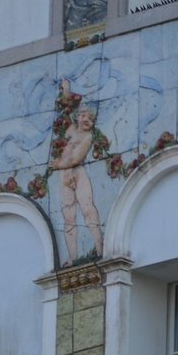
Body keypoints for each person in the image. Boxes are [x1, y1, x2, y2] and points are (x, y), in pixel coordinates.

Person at [51, 82, 105, 259]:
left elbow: (76, 159)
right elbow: (66, 110)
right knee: (68, 217)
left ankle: (99, 249)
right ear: (78, 117)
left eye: (90, 118)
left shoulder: (87, 136)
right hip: (64, 176)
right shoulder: (70, 128)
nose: (86, 120)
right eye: (83, 116)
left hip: (78, 174)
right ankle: (73, 258)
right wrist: (66, 90)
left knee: (88, 210)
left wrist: (58, 165)